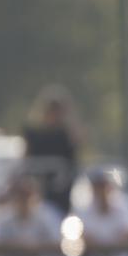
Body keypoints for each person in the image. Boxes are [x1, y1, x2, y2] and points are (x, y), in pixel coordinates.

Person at [23, 84, 84, 216]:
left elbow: (76, 152)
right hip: (35, 197)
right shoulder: (34, 135)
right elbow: (26, 162)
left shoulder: (66, 137)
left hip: (59, 198)